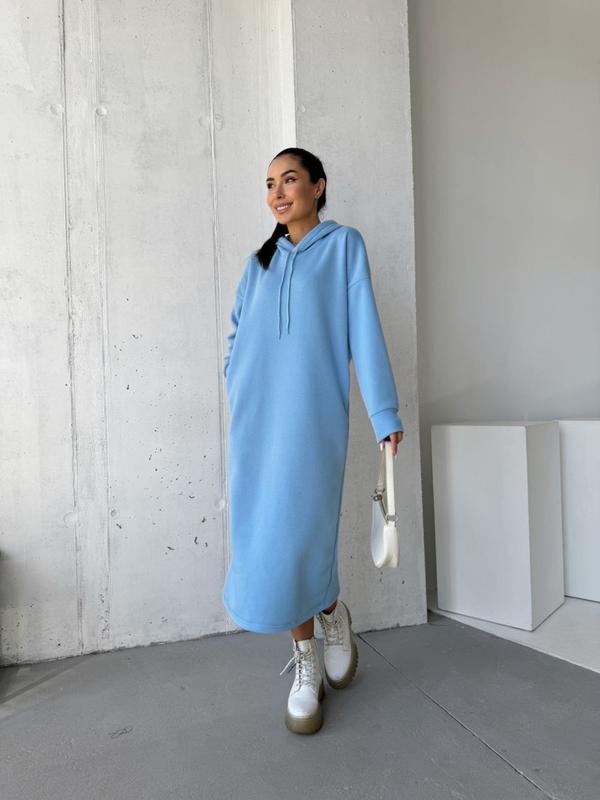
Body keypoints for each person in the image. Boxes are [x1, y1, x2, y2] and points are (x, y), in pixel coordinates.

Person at [222, 147, 404, 735]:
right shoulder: (258, 264)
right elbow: (236, 334)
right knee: (269, 541)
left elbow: (364, 328)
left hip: (313, 420)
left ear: (319, 186)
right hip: (256, 421)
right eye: (269, 183)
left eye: (290, 179)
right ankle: (305, 661)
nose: (277, 193)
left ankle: (331, 613)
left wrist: (383, 412)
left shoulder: (344, 246)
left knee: (301, 534)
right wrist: (235, 378)